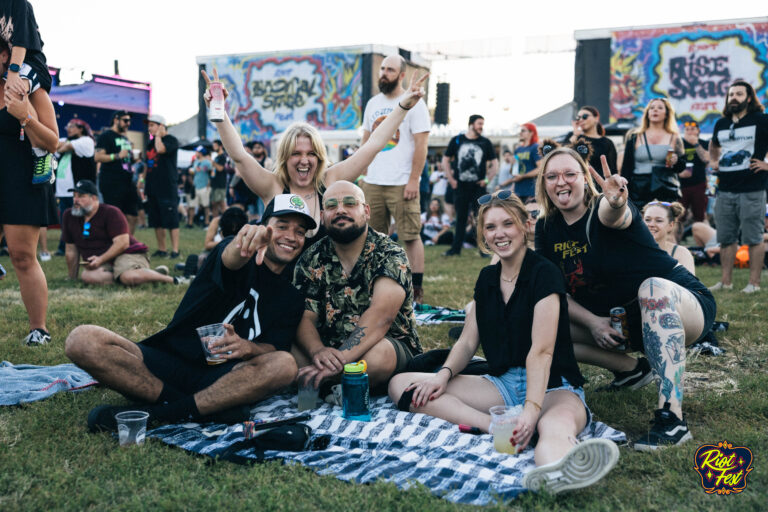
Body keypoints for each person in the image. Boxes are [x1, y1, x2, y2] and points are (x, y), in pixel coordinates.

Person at [389, 191, 618, 493]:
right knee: (402, 385)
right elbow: (468, 341)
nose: (500, 234)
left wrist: (532, 410)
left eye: (507, 224)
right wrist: (441, 377)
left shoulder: (544, 273)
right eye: (491, 227)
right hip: (503, 384)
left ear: (525, 226)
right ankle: (494, 426)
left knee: (554, 427)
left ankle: (555, 472)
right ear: (483, 234)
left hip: (554, 385)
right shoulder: (487, 278)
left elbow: (542, 351)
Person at [65, 193, 315, 431]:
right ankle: (209, 409)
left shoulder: (292, 295)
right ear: (263, 227)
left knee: (284, 364)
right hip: (171, 359)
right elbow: (232, 257)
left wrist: (248, 348)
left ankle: (163, 414)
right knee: (83, 340)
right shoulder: (234, 250)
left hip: (225, 377)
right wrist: (246, 243)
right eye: (282, 226)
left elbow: (275, 347)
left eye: (300, 232)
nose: (291, 236)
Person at [534, 143, 716, 450]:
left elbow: (613, 215)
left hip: (681, 305)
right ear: (544, 184)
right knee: (538, 316)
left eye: (569, 174)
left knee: (652, 289)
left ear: (584, 178)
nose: (561, 182)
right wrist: (592, 323)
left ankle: (672, 420)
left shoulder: (604, 208)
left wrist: (615, 201)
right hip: (619, 322)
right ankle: (631, 371)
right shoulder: (547, 227)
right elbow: (555, 291)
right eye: (552, 176)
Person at [204, 68, 428, 253]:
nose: (304, 160)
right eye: (296, 153)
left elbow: (373, 145)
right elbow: (240, 156)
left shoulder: (330, 180)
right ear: (284, 158)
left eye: (311, 153)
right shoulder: (272, 185)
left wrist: (403, 107)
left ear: (320, 157)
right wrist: (220, 112)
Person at [293, 181, 423, 390]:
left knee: (378, 357)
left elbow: (382, 316)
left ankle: (323, 383)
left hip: (383, 344)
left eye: (350, 203)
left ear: (366, 211)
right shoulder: (311, 258)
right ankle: (336, 384)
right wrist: (317, 351)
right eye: (332, 206)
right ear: (322, 216)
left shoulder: (389, 252)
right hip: (328, 350)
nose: (341, 210)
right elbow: (305, 316)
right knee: (288, 353)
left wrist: (340, 360)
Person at [0, 39, 59, 346]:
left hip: (21, 181)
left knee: (22, 257)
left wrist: (25, 115)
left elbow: (52, 142)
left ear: (8, 56)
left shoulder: (32, 90)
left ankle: (39, 328)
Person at [360, 55, 430, 303]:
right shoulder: (372, 104)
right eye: (382, 68)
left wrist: (414, 179)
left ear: (401, 75)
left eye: (390, 70)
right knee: (372, 237)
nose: (384, 73)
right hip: (373, 182)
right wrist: (363, 172)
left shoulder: (415, 103)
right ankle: (375, 287)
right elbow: (366, 140)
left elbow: (422, 145)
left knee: (410, 235)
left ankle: (416, 291)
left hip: (402, 182)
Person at [61, 180, 184, 287]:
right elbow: (71, 250)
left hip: (127, 253)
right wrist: (72, 278)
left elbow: (123, 243)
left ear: (94, 198)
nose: (75, 200)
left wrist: (100, 259)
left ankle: (174, 280)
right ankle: (145, 275)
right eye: (74, 196)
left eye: (81, 196)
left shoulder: (111, 212)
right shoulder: (69, 215)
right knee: (88, 276)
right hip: (103, 260)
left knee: (128, 277)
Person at [708, 80, 768, 294]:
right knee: (725, 238)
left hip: (753, 188)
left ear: (749, 97)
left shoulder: (761, 120)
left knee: (753, 237)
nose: (734, 97)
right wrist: (713, 161)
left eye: (739, 94)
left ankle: (754, 284)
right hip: (724, 189)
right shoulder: (721, 123)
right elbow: (713, 144)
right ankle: (725, 282)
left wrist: (767, 165)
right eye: (731, 94)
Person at [0, 1, 58, 186]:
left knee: (15, 91)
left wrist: (13, 72)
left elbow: (21, 42)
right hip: (11, 64)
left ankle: (41, 154)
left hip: (28, 63)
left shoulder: (18, 4)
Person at [442, 114, 498, 256]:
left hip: (478, 187)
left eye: (482, 124)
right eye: (479, 124)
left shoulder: (485, 142)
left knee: (480, 218)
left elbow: (495, 163)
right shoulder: (457, 140)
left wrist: (486, 180)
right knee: (460, 218)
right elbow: (445, 160)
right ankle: (456, 249)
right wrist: (451, 180)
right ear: (471, 124)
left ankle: (483, 250)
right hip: (460, 186)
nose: (481, 127)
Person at [620, 98, 686, 208]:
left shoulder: (675, 137)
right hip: (639, 188)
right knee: (640, 222)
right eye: (652, 108)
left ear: (667, 114)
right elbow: (626, 167)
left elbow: (682, 166)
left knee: (663, 220)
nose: (655, 110)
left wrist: (676, 161)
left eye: (660, 108)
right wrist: (624, 190)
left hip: (665, 187)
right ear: (647, 113)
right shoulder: (634, 136)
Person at [95, 110, 139, 233]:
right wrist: (117, 156)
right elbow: (97, 157)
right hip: (112, 182)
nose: (128, 123)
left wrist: (132, 160)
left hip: (128, 181)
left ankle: (128, 243)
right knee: (115, 216)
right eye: (125, 120)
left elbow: (125, 158)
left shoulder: (124, 137)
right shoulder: (106, 136)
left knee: (132, 215)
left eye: (129, 121)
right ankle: (115, 243)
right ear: (116, 120)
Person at [144, 114, 181, 259]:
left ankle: (176, 250)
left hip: (167, 187)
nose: (149, 128)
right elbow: (148, 164)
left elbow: (161, 150)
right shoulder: (149, 144)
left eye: (152, 125)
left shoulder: (171, 140)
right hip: (152, 187)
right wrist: (142, 182)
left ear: (161, 126)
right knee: (156, 221)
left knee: (171, 220)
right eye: (149, 125)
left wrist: (158, 136)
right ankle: (162, 249)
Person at [642, 200, 695, 273]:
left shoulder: (681, 253)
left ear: (671, 225)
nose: (651, 224)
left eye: (659, 221)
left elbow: (689, 283)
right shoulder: (632, 250)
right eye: (647, 220)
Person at [498, 123, 540, 202]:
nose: (520, 133)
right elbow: (514, 172)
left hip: (531, 191)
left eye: (523, 131)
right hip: (518, 191)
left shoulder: (535, 147)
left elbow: (540, 169)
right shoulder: (518, 150)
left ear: (531, 133)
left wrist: (523, 176)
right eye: (520, 131)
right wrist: (512, 165)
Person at [570, 106, 617, 172]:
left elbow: (613, 169)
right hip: (580, 180)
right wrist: (575, 135)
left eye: (585, 116)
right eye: (578, 118)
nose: (581, 120)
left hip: (601, 181)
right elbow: (565, 155)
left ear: (596, 118)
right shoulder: (575, 138)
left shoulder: (607, 142)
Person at [679, 121, 710, 222]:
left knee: (700, 216)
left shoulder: (703, 143)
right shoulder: (678, 144)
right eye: (687, 129)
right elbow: (669, 164)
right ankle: (678, 237)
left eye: (693, 129)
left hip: (699, 185)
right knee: (679, 217)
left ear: (698, 131)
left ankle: (699, 235)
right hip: (681, 186)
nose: (689, 132)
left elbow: (706, 159)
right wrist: (678, 173)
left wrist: (696, 144)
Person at [187, 145, 213, 228]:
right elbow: (194, 172)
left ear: (201, 153)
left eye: (197, 152)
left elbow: (212, 174)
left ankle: (207, 223)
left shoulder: (207, 163)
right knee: (192, 205)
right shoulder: (196, 162)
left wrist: (209, 185)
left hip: (204, 186)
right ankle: (190, 223)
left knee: (206, 206)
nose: (196, 153)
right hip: (195, 186)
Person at [210, 139, 228, 217]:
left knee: (221, 204)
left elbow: (220, 168)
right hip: (214, 183)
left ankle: (227, 222)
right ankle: (215, 223)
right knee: (214, 204)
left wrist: (212, 162)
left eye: (215, 146)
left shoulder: (223, 156)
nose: (214, 147)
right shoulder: (216, 157)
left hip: (220, 184)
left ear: (220, 146)